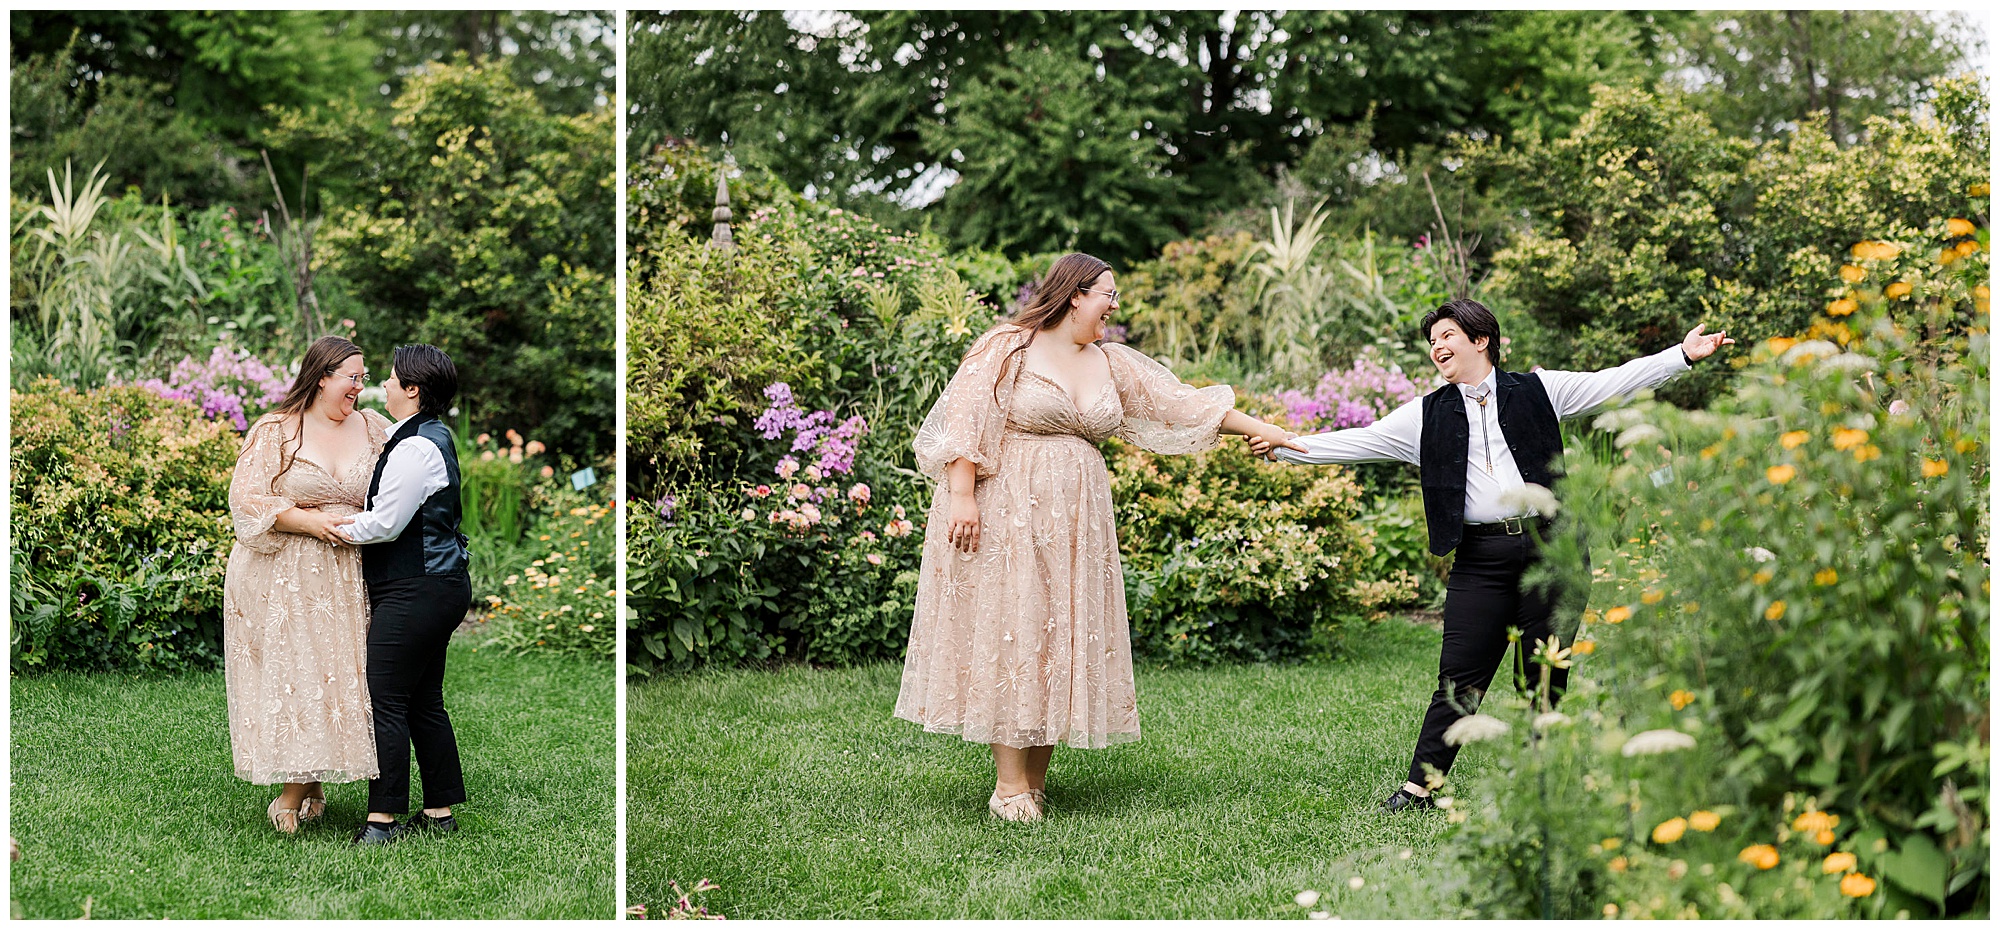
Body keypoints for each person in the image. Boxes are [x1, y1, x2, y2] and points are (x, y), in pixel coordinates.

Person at [1249, 298, 1732, 812]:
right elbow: (1362, 441)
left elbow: (1613, 380)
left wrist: (1680, 355)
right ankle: (1420, 789)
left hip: (1553, 551)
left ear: (1481, 341)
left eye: (1447, 335)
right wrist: (1282, 446)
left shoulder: (1541, 389)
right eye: (1432, 340)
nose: (1437, 346)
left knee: (1544, 673)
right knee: (1459, 676)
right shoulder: (1423, 415)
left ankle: (1544, 781)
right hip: (1480, 558)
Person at [894, 252, 1307, 822]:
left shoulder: (1112, 362)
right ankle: (1008, 788)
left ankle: (1034, 785)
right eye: (1107, 295)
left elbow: (1182, 404)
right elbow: (967, 421)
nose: (1115, 306)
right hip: (1009, 507)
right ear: (1074, 296)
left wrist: (1263, 429)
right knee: (1017, 629)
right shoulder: (1008, 347)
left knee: (1056, 634)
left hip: (1078, 519)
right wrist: (962, 496)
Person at [224, 335, 388, 834]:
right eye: (352, 378)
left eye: (363, 378)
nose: (360, 388)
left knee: (338, 674)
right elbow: (246, 499)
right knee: (300, 671)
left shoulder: (377, 429)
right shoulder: (278, 430)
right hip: (287, 572)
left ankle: (310, 784)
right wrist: (309, 522)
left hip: (352, 573)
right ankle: (292, 794)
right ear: (321, 377)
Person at [333, 345, 473, 845]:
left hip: (420, 588)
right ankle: (439, 814)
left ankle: (381, 821)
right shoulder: (417, 436)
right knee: (422, 699)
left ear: (412, 389)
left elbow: (386, 524)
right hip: (434, 586)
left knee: (385, 697)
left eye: (391, 379)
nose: (383, 386)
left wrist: (325, 525)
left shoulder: (417, 447)